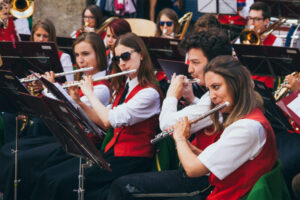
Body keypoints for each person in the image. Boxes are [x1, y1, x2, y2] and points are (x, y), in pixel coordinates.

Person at [108, 55, 278, 200]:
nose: (212, 96)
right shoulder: (248, 118)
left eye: (216, 87)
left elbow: (192, 170)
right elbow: (219, 160)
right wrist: (190, 148)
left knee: (123, 188)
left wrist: (180, 139)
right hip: (218, 189)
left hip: (219, 194)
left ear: (238, 83)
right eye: (209, 89)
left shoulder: (247, 128)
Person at [30, 32, 162, 200]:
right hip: (113, 152)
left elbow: (109, 119)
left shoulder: (149, 93)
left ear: (141, 55)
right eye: (117, 59)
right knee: (52, 177)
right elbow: (103, 122)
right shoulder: (124, 86)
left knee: (61, 182)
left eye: (126, 56)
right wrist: (80, 102)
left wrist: (90, 94)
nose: (122, 63)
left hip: (132, 159)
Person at [106, 29, 232, 199]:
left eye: (195, 62)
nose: (190, 69)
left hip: (204, 182)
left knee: (123, 187)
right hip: (197, 168)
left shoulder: (217, 98)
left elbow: (166, 124)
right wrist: (191, 99)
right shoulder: (208, 97)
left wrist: (172, 95)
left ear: (215, 63)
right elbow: (207, 116)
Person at [0, 32, 111, 200]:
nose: (80, 60)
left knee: (23, 161)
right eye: (77, 55)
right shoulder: (84, 80)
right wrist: (45, 87)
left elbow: (72, 111)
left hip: (81, 145)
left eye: (86, 54)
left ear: (100, 55)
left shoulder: (102, 88)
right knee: (11, 150)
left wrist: (50, 88)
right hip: (67, 139)